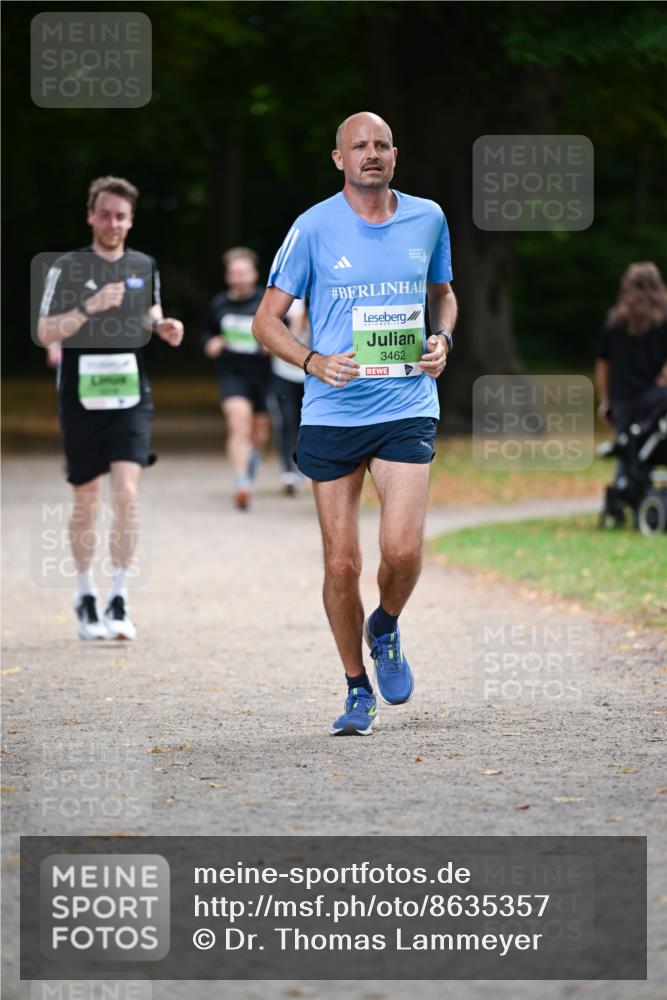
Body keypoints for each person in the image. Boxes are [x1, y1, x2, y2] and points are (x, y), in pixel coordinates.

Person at [253, 111, 457, 735]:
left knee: (401, 548)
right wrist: (312, 360)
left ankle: (386, 624)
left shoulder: (429, 217)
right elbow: (267, 321)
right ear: (338, 158)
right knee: (341, 564)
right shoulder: (312, 227)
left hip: (405, 403)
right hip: (334, 410)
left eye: (381, 145)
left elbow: (444, 292)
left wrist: (442, 338)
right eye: (358, 146)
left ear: (396, 154)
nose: (371, 153)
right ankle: (355, 688)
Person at [37, 176, 184, 641]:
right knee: (87, 497)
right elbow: (45, 332)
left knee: (126, 493)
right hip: (81, 395)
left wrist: (163, 327)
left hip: (130, 394)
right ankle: (85, 594)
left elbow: (149, 312)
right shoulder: (68, 267)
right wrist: (89, 307)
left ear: (131, 220)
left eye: (121, 216)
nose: (113, 223)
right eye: (105, 214)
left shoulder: (144, 264)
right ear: (90, 215)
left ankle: (119, 596)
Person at [202, 247, 271, 510]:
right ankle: (242, 483)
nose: (239, 276)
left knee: (259, 433)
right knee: (237, 423)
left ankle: (250, 468)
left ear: (254, 274)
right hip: (232, 374)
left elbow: (286, 329)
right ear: (228, 276)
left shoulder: (266, 303)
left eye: (244, 271)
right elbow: (207, 332)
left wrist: (271, 345)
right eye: (234, 272)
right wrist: (211, 342)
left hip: (263, 376)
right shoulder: (219, 304)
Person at [596, 261, 667, 483]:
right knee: (643, 446)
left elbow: (603, 365)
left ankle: (621, 498)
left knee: (630, 448)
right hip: (654, 401)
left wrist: (605, 400)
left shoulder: (615, 320)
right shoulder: (663, 320)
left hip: (622, 401)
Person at [268, 298, 309, 495]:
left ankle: (304, 467)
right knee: (286, 419)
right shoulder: (285, 304)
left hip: (312, 375)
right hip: (284, 372)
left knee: (306, 423)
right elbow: (281, 340)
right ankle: (287, 471)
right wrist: (299, 320)